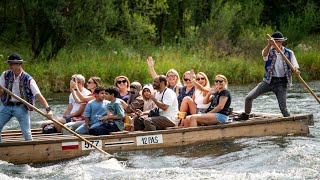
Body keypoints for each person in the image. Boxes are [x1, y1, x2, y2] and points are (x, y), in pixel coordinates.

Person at [235, 31, 300, 120]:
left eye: (278, 42)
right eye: (274, 42)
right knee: (249, 98)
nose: (276, 44)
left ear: (281, 42)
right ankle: (246, 115)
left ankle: (291, 122)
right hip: (268, 81)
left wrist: (296, 71)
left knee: (283, 108)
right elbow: (264, 55)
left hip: (281, 83)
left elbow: (294, 68)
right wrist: (269, 45)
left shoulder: (289, 53)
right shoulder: (268, 51)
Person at [0, 53, 53, 143]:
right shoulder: (5, 75)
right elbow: (1, 93)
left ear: (19, 65)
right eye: (9, 63)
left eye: (12, 63)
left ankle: (31, 150)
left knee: (26, 132)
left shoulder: (29, 79)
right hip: (7, 106)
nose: (10, 66)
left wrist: (48, 110)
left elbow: (38, 95)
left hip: (21, 107)